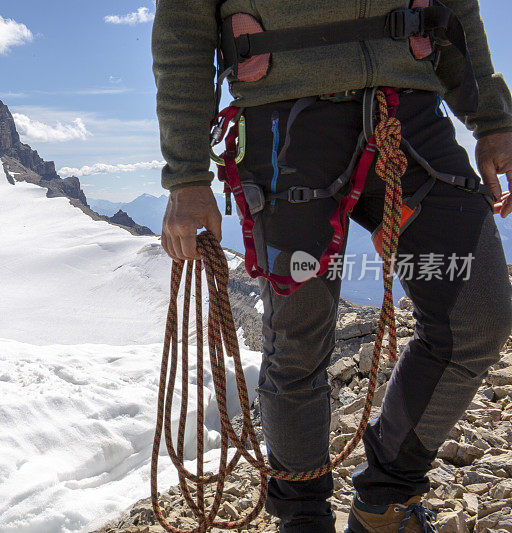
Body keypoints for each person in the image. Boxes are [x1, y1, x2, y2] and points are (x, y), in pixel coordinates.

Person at [152, 1, 512, 532]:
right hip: (284, 122)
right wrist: (186, 173)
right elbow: (184, 27)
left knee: (477, 316)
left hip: (409, 113)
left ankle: (384, 500)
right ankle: (302, 519)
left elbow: (454, 7)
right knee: (297, 344)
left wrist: (493, 119)